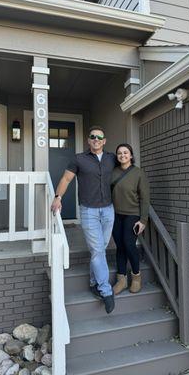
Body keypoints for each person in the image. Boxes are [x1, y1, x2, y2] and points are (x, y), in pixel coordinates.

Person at [51, 126, 116, 314]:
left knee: (100, 249)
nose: (96, 139)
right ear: (88, 140)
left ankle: (93, 282)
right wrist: (58, 197)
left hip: (108, 209)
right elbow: (66, 179)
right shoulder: (79, 159)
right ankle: (105, 291)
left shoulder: (112, 158)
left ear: (104, 141)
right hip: (89, 211)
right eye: (92, 136)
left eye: (99, 137)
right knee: (97, 249)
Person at [111, 143, 150, 294]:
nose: (122, 155)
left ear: (131, 155)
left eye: (125, 153)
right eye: (119, 153)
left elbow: (145, 199)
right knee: (120, 246)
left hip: (132, 214)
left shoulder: (139, 173)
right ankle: (121, 280)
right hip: (115, 214)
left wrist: (143, 220)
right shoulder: (113, 172)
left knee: (129, 244)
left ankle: (136, 277)